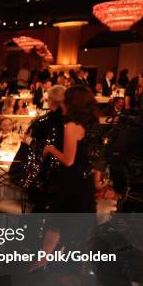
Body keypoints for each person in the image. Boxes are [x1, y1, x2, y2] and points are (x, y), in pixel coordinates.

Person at [34, 85, 98, 270]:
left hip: (71, 181)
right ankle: (83, 268)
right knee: (84, 224)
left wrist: (51, 149)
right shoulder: (92, 123)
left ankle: (42, 262)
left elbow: (68, 160)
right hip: (85, 180)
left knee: (55, 223)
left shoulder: (71, 126)